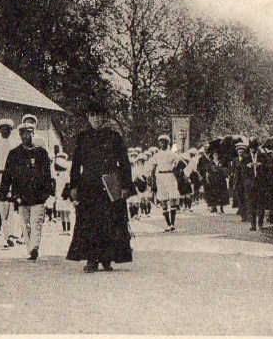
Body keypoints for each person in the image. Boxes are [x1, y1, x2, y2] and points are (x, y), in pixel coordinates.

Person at [67, 102, 133, 272]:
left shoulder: (114, 137)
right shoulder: (82, 138)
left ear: (104, 117)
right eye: (92, 115)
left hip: (110, 186)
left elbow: (124, 163)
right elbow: (76, 164)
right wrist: (74, 186)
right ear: (88, 118)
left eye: (98, 115)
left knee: (110, 223)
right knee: (90, 223)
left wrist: (125, 186)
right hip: (89, 186)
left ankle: (107, 258)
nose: (95, 119)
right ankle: (91, 259)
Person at [0, 122, 54, 261]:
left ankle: (35, 248)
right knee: (25, 223)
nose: (25, 136)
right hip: (21, 194)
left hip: (38, 194)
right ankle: (30, 248)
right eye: (22, 133)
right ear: (19, 135)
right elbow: (7, 175)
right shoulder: (14, 154)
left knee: (37, 222)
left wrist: (49, 191)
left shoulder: (41, 152)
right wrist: (3, 193)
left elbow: (48, 174)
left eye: (28, 133)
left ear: (33, 134)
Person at [240, 138, 273, 231]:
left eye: (254, 148)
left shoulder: (263, 157)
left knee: (261, 203)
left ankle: (260, 223)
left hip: (261, 184)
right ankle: (253, 225)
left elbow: (269, 168)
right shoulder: (245, 157)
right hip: (250, 184)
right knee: (252, 204)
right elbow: (241, 170)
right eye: (251, 148)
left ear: (257, 148)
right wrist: (247, 166)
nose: (253, 150)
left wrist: (261, 165)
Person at [147, 134, 182, 232]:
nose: (162, 144)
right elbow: (153, 170)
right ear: (158, 143)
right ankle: (168, 224)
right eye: (161, 142)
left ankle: (173, 224)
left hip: (170, 176)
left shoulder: (172, 154)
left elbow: (180, 162)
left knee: (172, 199)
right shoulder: (156, 155)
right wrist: (153, 182)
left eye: (164, 142)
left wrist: (176, 168)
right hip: (160, 177)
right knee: (163, 200)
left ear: (168, 143)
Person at [53, 152, 74, 234]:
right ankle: (64, 229)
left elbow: (67, 185)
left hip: (64, 195)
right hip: (60, 195)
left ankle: (67, 229)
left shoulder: (65, 175)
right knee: (62, 212)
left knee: (66, 212)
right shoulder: (59, 175)